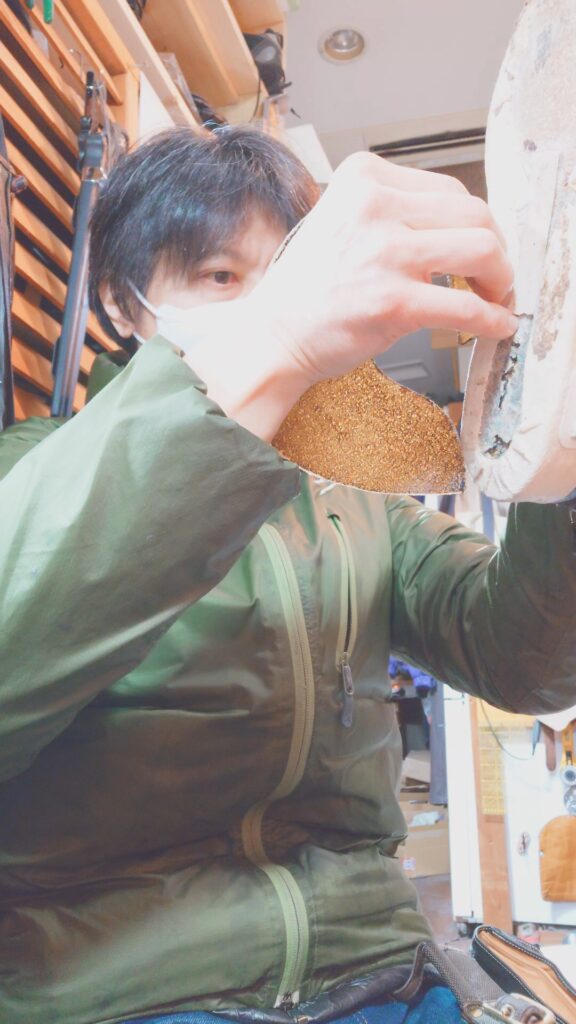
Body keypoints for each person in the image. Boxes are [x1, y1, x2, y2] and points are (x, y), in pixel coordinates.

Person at [0, 126, 574, 1024]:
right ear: (120, 301)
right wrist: (272, 347)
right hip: (121, 989)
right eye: (221, 276)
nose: (275, 305)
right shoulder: (32, 472)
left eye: (291, 276)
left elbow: (525, 662)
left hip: (382, 969)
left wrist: (558, 474)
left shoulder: (359, 502)